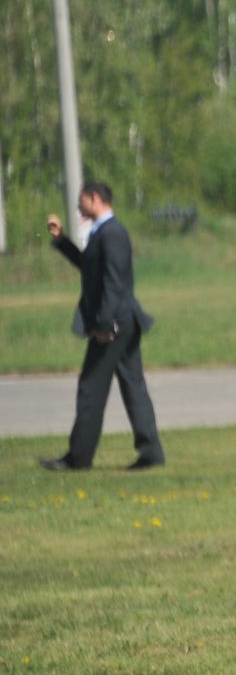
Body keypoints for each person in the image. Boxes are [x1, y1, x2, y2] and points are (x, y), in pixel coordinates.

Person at [40, 182, 165, 472]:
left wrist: (104, 324)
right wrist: (61, 240)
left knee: (91, 387)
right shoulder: (104, 233)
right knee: (133, 386)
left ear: (96, 199)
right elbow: (90, 266)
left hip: (115, 324)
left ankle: (78, 457)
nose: (78, 207)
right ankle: (151, 453)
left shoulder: (113, 234)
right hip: (121, 321)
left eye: (82, 201)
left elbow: (113, 281)